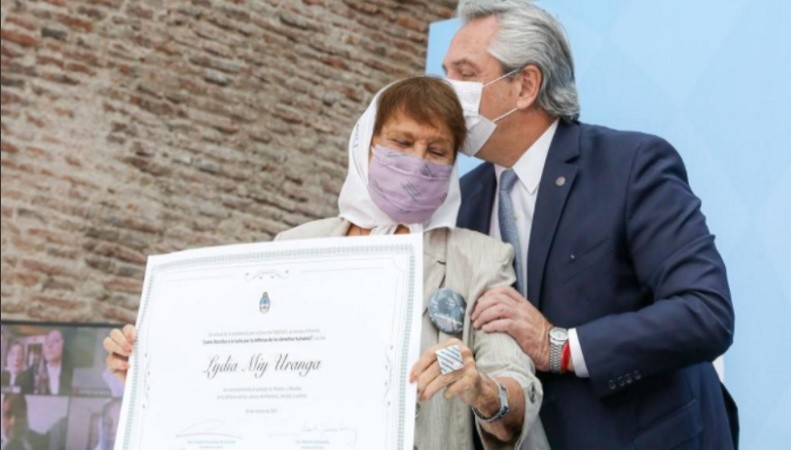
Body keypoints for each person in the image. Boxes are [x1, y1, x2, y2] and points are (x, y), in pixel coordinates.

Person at [104, 76, 549, 450]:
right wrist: (154, 365)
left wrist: (482, 390)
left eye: (437, 151)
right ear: (366, 146)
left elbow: (515, 392)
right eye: (401, 142)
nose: (418, 161)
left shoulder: (481, 259)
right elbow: (243, 365)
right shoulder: (294, 246)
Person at [443, 1, 738, 449]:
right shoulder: (460, 201)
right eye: (444, 73)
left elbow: (705, 312)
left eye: (464, 74)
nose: (448, 91)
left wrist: (558, 345)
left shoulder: (630, 167)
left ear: (525, 85)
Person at [33, 330, 72, 396]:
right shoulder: (33, 373)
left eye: (55, 341)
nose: (49, 345)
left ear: (64, 345)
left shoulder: (73, 373)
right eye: (47, 342)